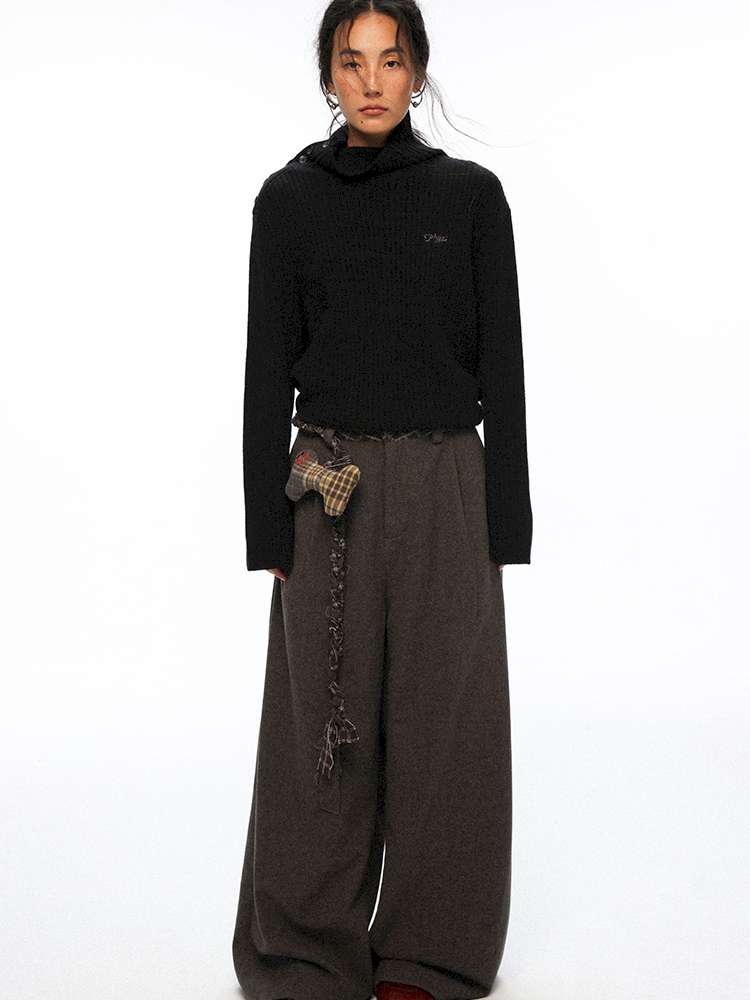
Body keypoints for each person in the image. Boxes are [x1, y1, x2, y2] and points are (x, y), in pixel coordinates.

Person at [232, 3, 533, 999]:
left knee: (448, 722)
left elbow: (505, 367)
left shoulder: (472, 197)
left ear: (418, 72)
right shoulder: (288, 201)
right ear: (329, 75)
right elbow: (265, 369)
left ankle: (429, 955)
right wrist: (266, 528)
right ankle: (304, 951)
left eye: (390, 60)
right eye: (352, 61)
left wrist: (507, 521)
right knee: (321, 724)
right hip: (327, 485)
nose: (371, 80)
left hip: (449, 482)